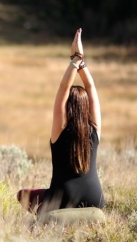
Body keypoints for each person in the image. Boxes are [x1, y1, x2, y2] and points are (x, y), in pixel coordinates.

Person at [17, 28, 105, 215]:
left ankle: (50, 218)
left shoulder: (60, 129)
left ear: (67, 107)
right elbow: (90, 86)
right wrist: (81, 61)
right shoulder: (95, 129)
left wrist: (74, 60)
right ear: (86, 106)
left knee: (22, 194)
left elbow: (63, 88)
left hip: (62, 198)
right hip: (95, 198)